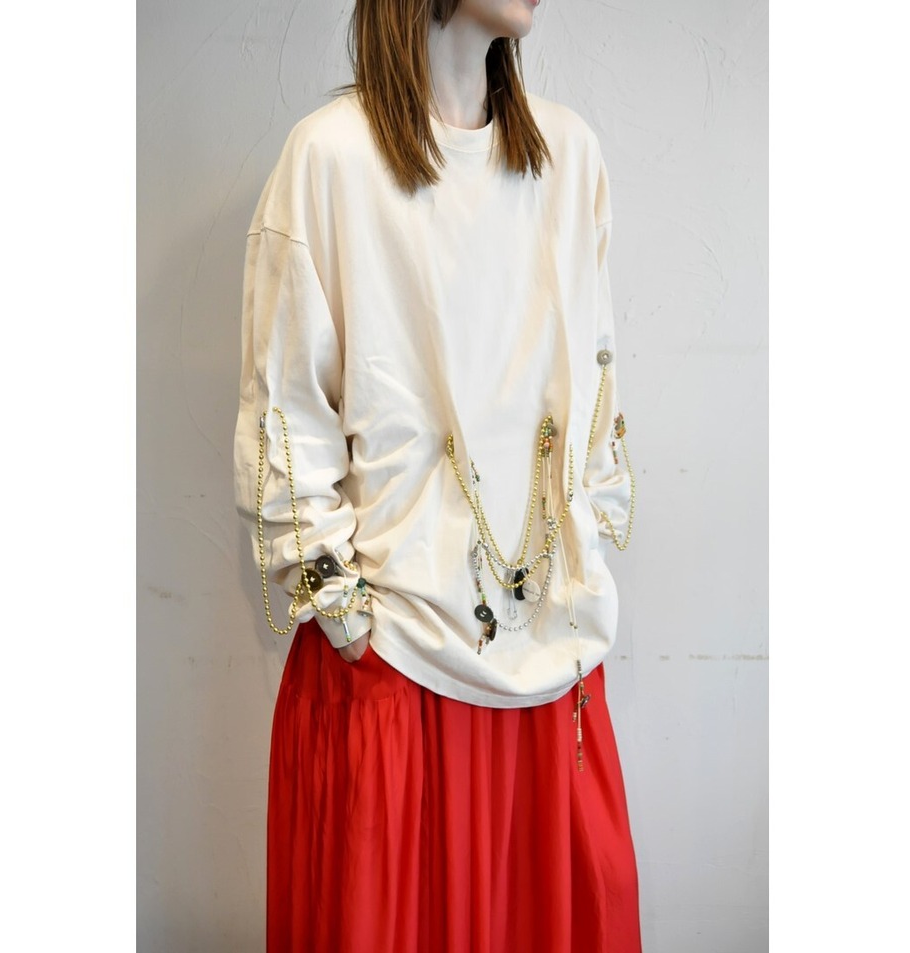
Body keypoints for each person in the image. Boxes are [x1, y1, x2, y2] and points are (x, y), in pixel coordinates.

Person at [233, 1, 642, 949]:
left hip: (550, 667)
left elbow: (598, 382)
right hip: (394, 673)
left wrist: (584, 557)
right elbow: (284, 401)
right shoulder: (331, 160)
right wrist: (346, 616)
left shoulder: (570, 159)